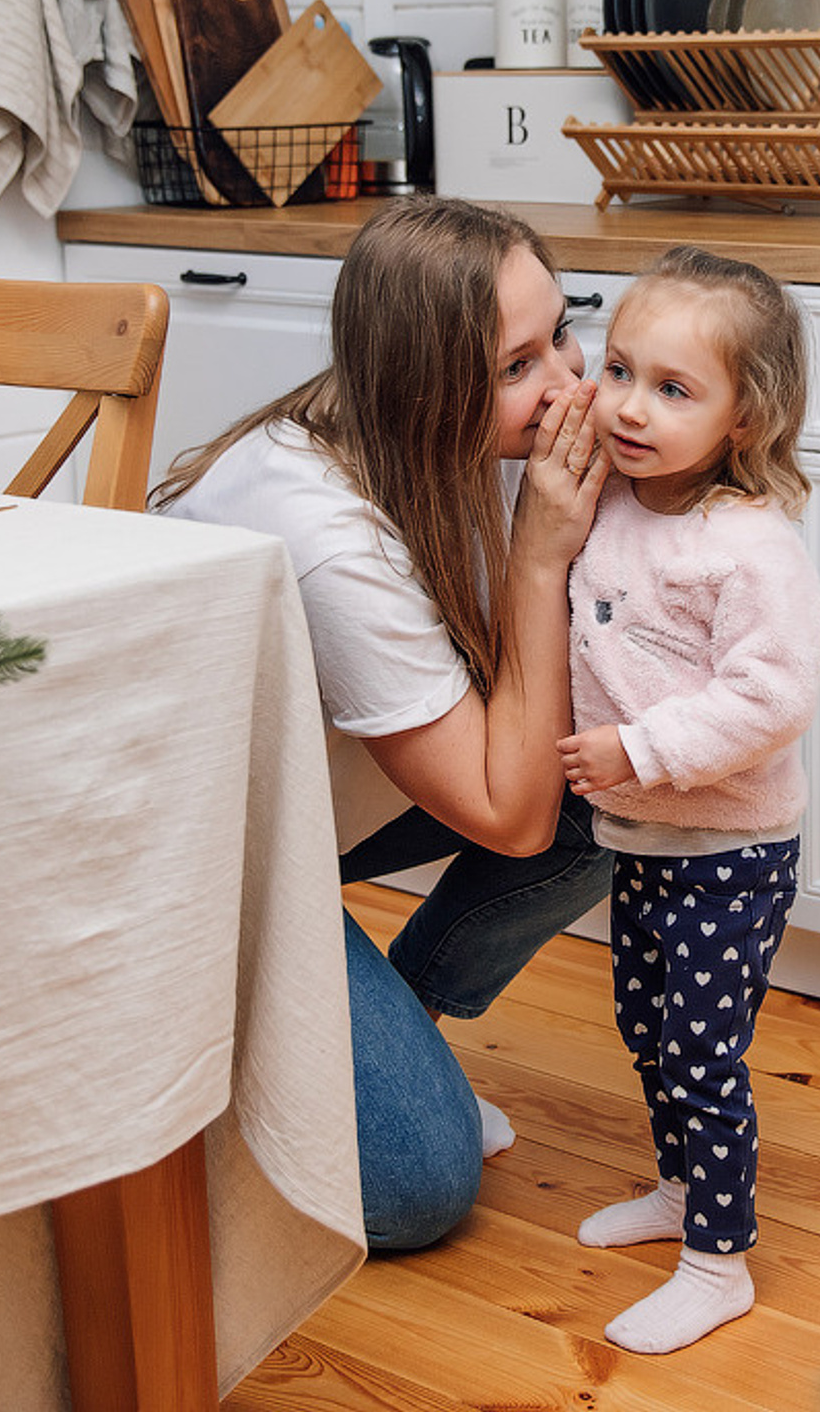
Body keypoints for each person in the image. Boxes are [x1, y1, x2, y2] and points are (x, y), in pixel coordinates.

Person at [153, 197, 614, 1252]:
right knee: (418, 1187)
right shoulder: (326, 533)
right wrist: (543, 553)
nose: (569, 386)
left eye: (564, 333)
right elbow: (507, 817)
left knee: (625, 780)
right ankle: (213, 1060)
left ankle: (396, 1019)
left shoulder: (445, 432)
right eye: (517, 366)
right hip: (197, 864)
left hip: (309, 806)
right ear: (425, 387)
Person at [556, 245, 820, 1354]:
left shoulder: (751, 547)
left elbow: (772, 698)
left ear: (745, 421)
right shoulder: (616, 501)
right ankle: (677, 1188)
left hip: (729, 848)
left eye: (674, 390)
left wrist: (641, 748)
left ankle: (718, 1261)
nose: (628, 406)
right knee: (646, 1027)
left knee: (705, 1053)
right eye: (619, 370)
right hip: (647, 839)